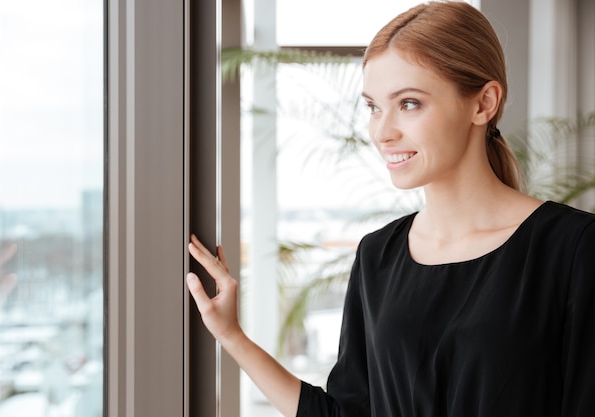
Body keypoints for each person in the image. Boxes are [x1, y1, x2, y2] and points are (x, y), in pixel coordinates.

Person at [186, 1, 595, 416]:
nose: (382, 132)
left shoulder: (574, 249)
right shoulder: (377, 256)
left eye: (409, 103)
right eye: (373, 107)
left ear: (483, 103)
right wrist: (232, 335)